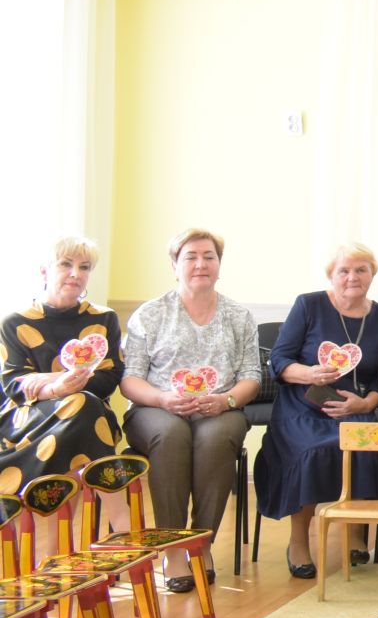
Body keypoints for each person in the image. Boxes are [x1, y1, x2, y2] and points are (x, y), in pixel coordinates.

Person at [121, 228, 261, 592]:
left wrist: (226, 400)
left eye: (209, 256)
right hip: (156, 408)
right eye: (191, 257)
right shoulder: (150, 314)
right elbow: (131, 379)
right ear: (174, 265)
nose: (201, 264)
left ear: (219, 265)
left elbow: (251, 378)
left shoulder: (238, 316)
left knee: (217, 437)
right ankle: (172, 549)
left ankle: (201, 543)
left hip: (220, 407)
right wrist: (162, 398)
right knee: (171, 434)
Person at [258, 243, 378, 579]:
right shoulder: (309, 305)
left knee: (363, 444)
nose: (352, 277)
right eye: (344, 270)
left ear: (372, 274)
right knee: (314, 450)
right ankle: (299, 541)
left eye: (361, 270)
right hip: (303, 403)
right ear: (331, 275)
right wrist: (308, 373)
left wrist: (367, 403)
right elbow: (279, 360)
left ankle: (355, 533)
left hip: (354, 405)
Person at [0, 238, 124, 526]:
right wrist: (58, 387)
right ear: (45, 271)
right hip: (27, 417)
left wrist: (47, 380)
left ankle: (54, 551)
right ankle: (123, 525)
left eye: (84, 267)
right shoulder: (14, 323)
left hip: (87, 414)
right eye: (65, 264)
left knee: (83, 408)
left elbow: (109, 378)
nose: (75, 273)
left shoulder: (104, 318)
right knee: (84, 409)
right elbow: (14, 384)